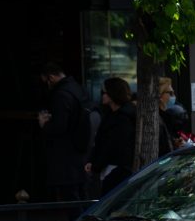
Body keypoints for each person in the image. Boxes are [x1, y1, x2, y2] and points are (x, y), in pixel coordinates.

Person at [38, 62, 89, 202]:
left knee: (71, 196)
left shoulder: (61, 95)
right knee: (80, 194)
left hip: (66, 154)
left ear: (51, 77)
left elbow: (60, 126)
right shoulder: (77, 88)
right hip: (79, 149)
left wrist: (45, 124)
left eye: (46, 82)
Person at [85, 77, 136, 197]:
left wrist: (96, 164)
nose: (102, 95)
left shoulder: (122, 118)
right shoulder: (114, 115)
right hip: (111, 167)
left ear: (113, 94)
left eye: (104, 92)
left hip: (115, 169)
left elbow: (111, 145)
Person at [158, 77, 177, 157]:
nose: (173, 97)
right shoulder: (159, 118)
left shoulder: (167, 115)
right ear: (160, 95)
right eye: (170, 93)